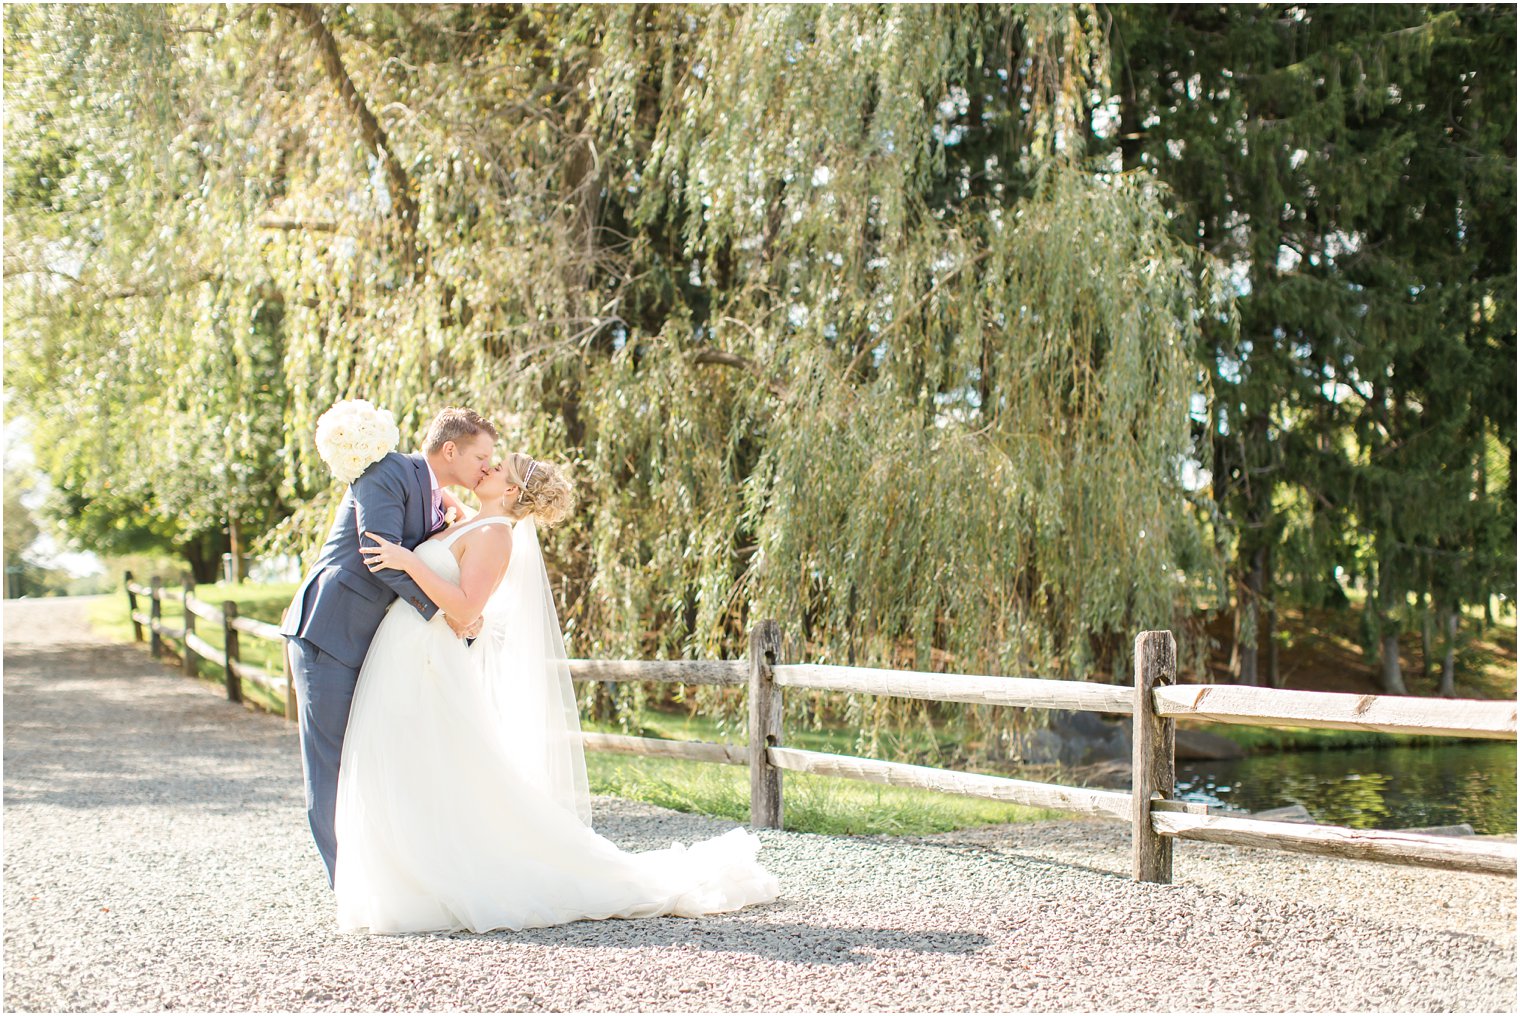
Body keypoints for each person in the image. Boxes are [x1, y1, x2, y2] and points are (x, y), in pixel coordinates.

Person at [336, 452, 780, 933]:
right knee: (418, 770)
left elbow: (465, 612)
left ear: (510, 493)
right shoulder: (472, 522)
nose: (485, 468)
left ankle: (433, 881)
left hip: (425, 659)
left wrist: (407, 561)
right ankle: (409, 876)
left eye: (497, 467)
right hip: (406, 652)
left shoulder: (495, 535)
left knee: (434, 768)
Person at [281, 408, 498, 886]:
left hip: (373, 643)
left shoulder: (435, 498)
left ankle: (385, 876)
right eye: (481, 456)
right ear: (450, 450)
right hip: (330, 632)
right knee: (332, 765)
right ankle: (348, 887)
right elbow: (378, 554)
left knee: (375, 756)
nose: (487, 467)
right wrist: (447, 613)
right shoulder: (389, 470)